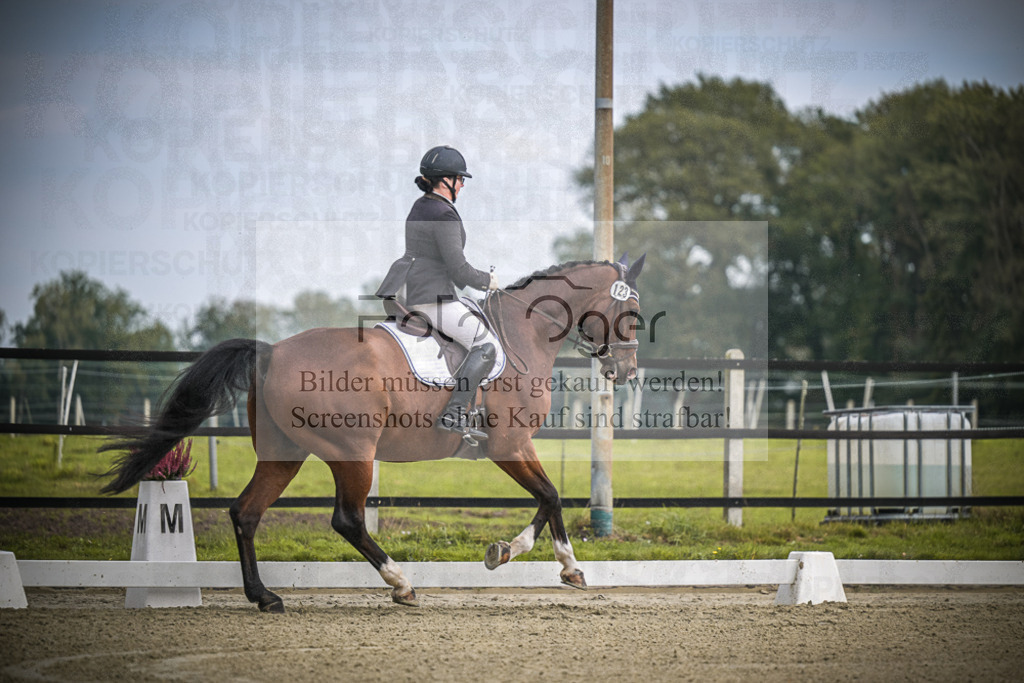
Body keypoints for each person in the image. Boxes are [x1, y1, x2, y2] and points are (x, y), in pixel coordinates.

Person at [376, 145, 500, 438]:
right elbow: (459, 270)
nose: (462, 185)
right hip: (432, 297)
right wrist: (488, 281)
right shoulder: (444, 214)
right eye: (460, 179)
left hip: (407, 291)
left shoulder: (420, 206)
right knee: (486, 346)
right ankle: (455, 413)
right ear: (445, 180)